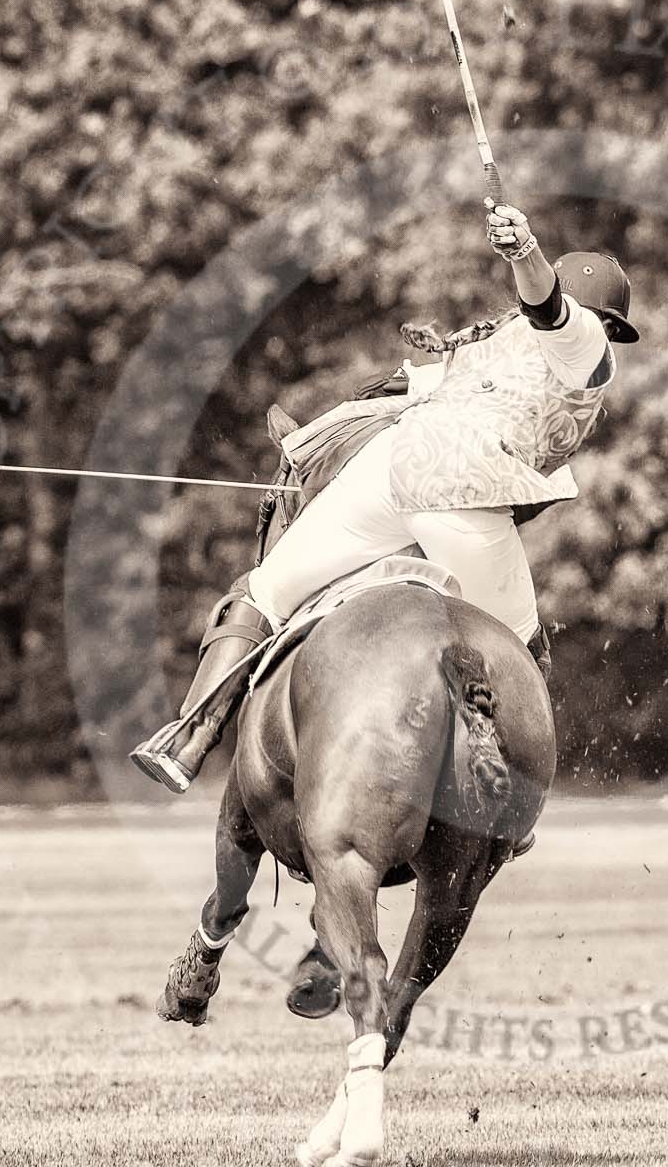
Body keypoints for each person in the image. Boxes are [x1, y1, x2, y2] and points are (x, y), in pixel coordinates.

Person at [129, 200, 639, 794]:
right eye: (609, 329)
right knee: (523, 653)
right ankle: (517, 795)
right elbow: (554, 309)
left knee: (264, 590)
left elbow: (389, 394)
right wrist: (526, 254)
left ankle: (188, 739)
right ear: (607, 321)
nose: (609, 343)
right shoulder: (586, 348)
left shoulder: (491, 345)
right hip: (461, 491)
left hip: (391, 466)